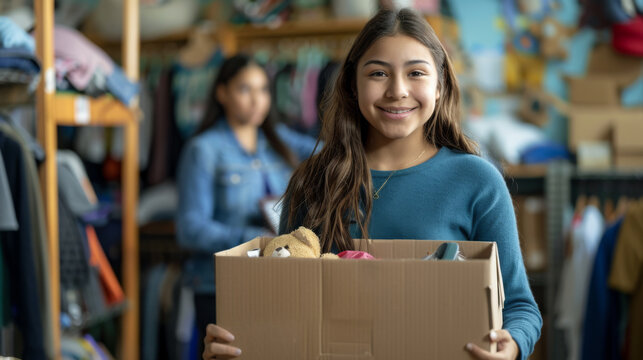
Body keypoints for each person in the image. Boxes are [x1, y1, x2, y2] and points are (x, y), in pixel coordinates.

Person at [202, 8, 542, 360]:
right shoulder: (312, 181)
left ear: (439, 86)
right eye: (378, 73)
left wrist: (512, 344)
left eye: (416, 73)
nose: (397, 90)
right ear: (353, 84)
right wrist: (237, 341)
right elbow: (281, 301)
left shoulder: (478, 181)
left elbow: (520, 307)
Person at [175, 54, 318, 354]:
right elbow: (189, 229)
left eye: (263, 90)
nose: (257, 100)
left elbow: (330, 154)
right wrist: (253, 240)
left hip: (275, 281)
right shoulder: (203, 150)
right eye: (245, 90)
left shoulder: (276, 140)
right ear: (222, 93)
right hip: (220, 286)